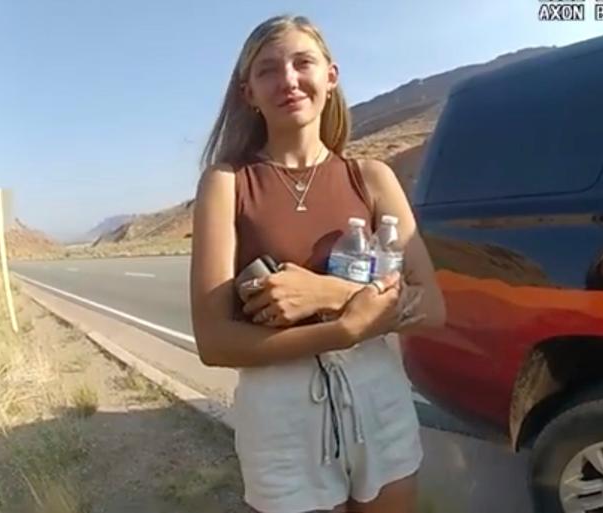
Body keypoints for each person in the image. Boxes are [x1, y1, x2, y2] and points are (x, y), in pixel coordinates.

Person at [188, 13, 446, 513]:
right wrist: (342, 330)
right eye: (267, 69)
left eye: (302, 62)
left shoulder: (371, 178)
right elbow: (214, 341)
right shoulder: (226, 183)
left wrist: (329, 295)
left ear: (330, 75)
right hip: (281, 418)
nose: (287, 79)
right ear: (248, 93)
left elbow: (431, 305)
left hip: (381, 402)